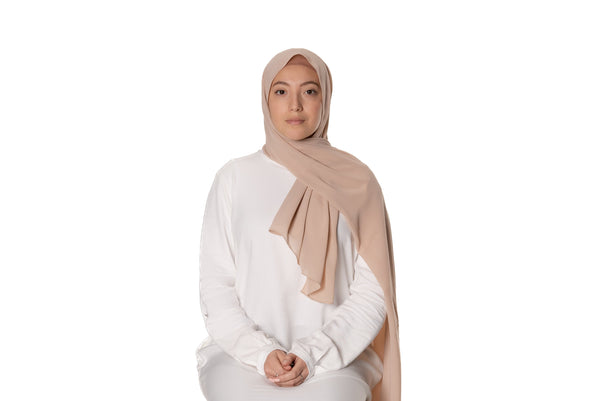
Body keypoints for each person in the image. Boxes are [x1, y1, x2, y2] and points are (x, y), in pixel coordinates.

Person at [195, 48, 401, 401]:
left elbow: (373, 291)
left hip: (335, 361)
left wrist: (313, 353)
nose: (295, 105)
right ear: (266, 99)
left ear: (325, 99)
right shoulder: (234, 177)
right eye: (281, 91)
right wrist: (261, 353)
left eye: (309, 91)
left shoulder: (356, 182)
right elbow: (216, 285)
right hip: (242, 358)